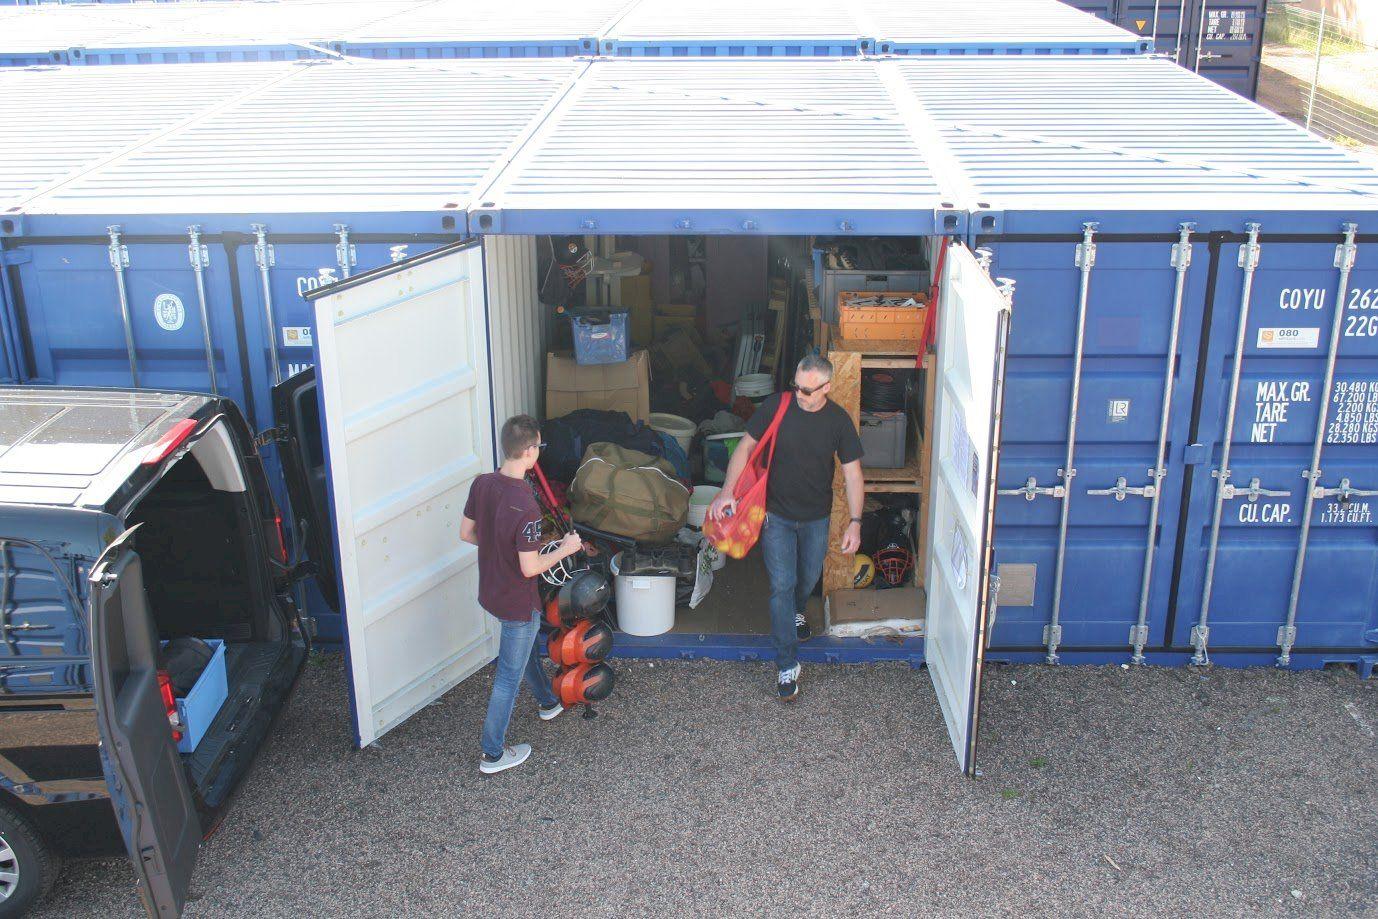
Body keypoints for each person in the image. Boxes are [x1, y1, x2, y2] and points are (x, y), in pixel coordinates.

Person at [708, 355, 864, 700]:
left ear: (826, 387)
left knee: (806, 579)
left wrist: (855, 522)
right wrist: (726, 492)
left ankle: (795, 612)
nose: (799, 394)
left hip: (816, 517)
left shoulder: (838, 421)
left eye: (807, 390)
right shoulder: (778, 406)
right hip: (775, 515)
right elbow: (746, 446)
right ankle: (786, 664)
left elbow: (853, 472)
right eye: (797, 386)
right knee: (782, 584)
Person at [462, 414, 583, 774]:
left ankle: (548, 701)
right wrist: (567, 546)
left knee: (524, 649)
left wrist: (504, 547)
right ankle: (493, 754)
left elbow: (467, 534)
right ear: (530, 451)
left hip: (492, 591)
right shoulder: (526, 502)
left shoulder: (482, 484)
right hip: (517, 599)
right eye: (538, 448)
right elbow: (530, 568)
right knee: (507, 678)